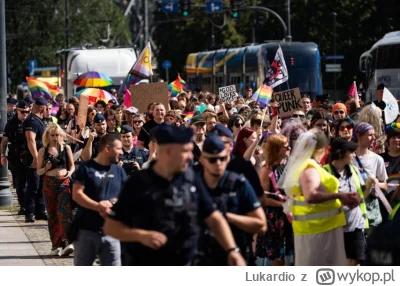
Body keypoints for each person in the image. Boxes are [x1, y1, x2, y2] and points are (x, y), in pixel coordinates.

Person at [103, 123, 246, 266]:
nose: (191, 156)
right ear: (167, 152)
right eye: (186, 151)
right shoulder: (138, 183)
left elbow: (214, 218)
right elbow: (111, 227)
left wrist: (232, 250)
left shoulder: (191, 179)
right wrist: (141, 236)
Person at [277, 130, 360, 266]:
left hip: (324, 228)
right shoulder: (310, 168)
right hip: (316, 232)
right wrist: (340, 196)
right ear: (321, 148)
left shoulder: (313, 166)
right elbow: (311, 195)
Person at [195, 135, 266, 265]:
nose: (218, 163)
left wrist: (226, 216)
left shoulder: (239, 184)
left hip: (236, 255)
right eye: (212, 160)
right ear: (202, 160)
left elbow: (261, 224)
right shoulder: (191, 185)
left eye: (222, 158)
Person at [72, 134, 127, 266]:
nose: (122, 152)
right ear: (108, 148)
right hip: (86, 231)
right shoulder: (86, 168)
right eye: (119, 148)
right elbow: (77, 194)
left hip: (112, 232)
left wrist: (112, 203)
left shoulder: (119, 171)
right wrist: (99, 206)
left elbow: (126, 196)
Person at [323, 138, 370, 266]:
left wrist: (370, 185)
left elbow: (362, 197)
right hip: (336, 227)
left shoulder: (354, 170)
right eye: (351, 152)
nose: (354, 155)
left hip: (356, 225)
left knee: (355, 262)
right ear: (340, 153)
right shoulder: (324, 172)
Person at [37, 123, 75, 256]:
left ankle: (67, 241)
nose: (54, 137)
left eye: (57, 135)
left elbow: (72, 166)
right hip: (49, 183)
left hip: (64, 182)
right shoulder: (43, 150)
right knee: (52, 213)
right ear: (48, 136)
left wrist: (69, 174)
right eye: (52, 135)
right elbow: (39, 172)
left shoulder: (66, 148)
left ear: (61, 135)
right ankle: (56, 244)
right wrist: (47, 167)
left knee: (65, 212)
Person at [256, 134, 293, 266]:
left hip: (289, 218)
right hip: (275, 220)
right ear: (277, 150)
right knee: (278, 260)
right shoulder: (266, 170)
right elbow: (263, 199)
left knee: (294, 257)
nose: (289, 148)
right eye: (285, 147)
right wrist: (283, 205)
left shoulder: (287, 166)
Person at [352, 122, 387, 234]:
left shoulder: (377, 159)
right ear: (358, 136)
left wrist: (374, 185)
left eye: (374, 135)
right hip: (354, 204)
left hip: (372, 208)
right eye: (370, 135)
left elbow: (385, 184)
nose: (373, 138)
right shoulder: (348, 157)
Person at [1, 100, 30, 214]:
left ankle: (30, 206)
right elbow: (4, 140)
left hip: (29, 156)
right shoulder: (11, 123)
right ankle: (23, 206)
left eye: (27, 112)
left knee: (31, 183)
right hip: (16, 157)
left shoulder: (31, 121)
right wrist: (3, 155)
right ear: (17, 110)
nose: (25, 114)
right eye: (23, 112)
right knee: (20, 183)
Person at [22, 98, 48, 223]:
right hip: (33, 158)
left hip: (41, 157)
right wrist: (36, 157)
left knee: (41, 186)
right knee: (33, 185)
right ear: (42, 107)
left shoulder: (39, 120)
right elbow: (30, 139)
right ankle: (29, 212)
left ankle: (40, 211)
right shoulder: (32, 121)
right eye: (46, 107)